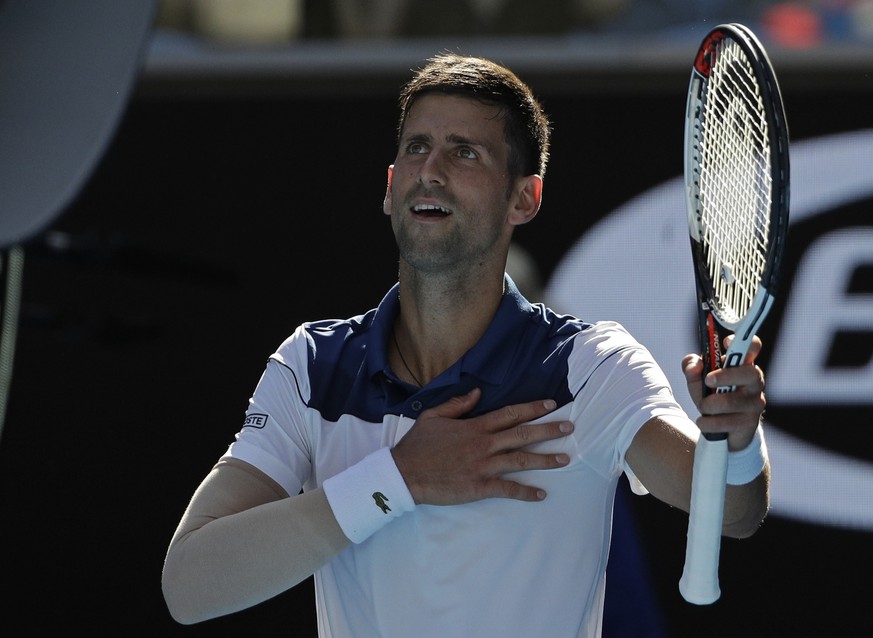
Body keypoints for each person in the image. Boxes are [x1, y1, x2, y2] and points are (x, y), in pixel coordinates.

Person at [161, 52, 770, 637]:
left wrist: (737, 441)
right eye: (417, 147)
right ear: (391, 184)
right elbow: (190, 586)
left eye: (465, 153)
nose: (431, 169)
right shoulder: (311, 366)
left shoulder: (590, 367)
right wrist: (398, 478)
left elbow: (733, 511)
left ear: (523, 199)